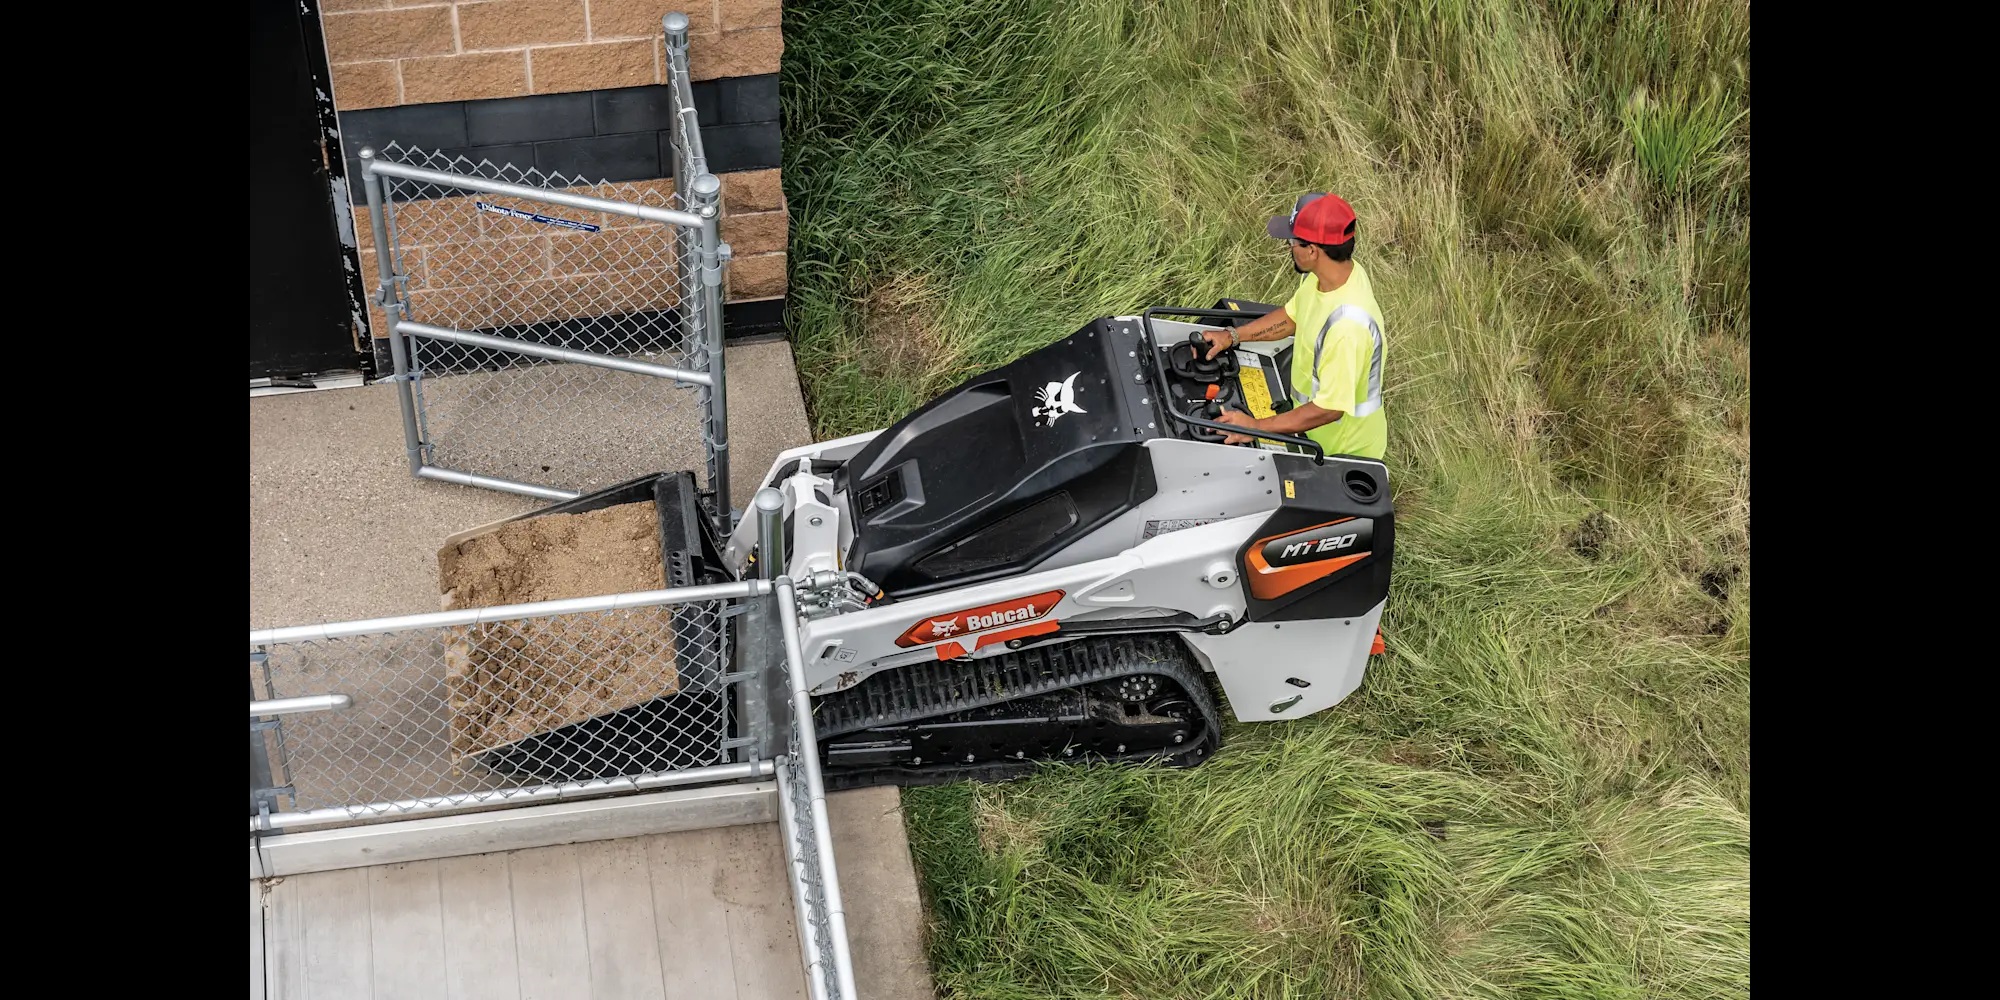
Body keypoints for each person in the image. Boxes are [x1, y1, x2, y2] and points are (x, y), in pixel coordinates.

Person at [1192, 192, 1387, 461]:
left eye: (1292, 241)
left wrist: (1254, 427)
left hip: (1339, 452)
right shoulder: (1330, 276)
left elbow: (1328, 410)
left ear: (1312, 250)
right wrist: (1232, 336)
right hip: (1308, 428)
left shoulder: (1347, 329)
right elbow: (1292, 317)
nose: (1288, 247)